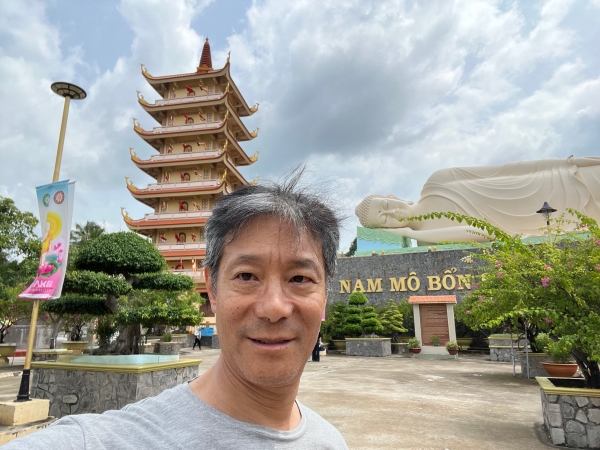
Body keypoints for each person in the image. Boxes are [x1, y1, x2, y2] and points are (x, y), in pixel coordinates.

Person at [5, 168, 348, 449]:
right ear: (212, 288)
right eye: (246, 275)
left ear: (326, 293)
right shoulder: (107, 440)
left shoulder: (330, 442)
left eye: (300, 278)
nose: (274, 307)